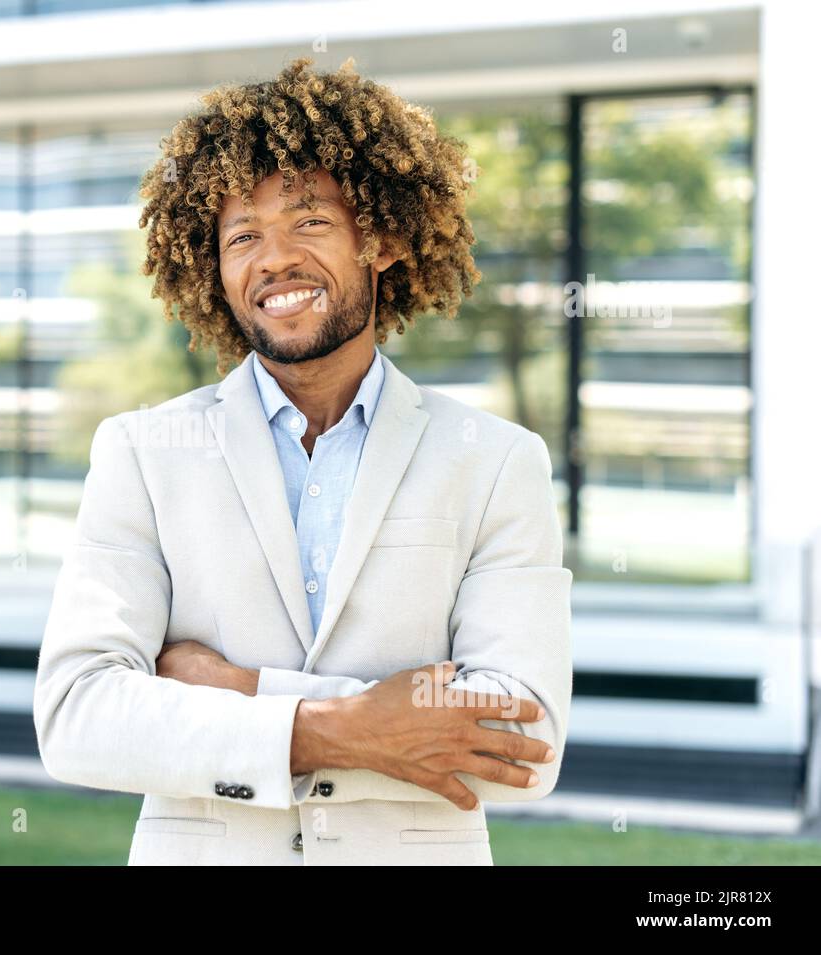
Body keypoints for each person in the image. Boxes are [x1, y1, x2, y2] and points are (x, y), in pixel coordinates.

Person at [32, 56, 572, 865]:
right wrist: (348, 728)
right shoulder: (141, 454)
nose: (274, 258)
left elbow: (522, 740)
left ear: (381, 239)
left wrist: (247, 692)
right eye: (243, 236)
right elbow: (78, 716)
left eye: (309, 221)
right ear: (214, 267)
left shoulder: (496, 463)